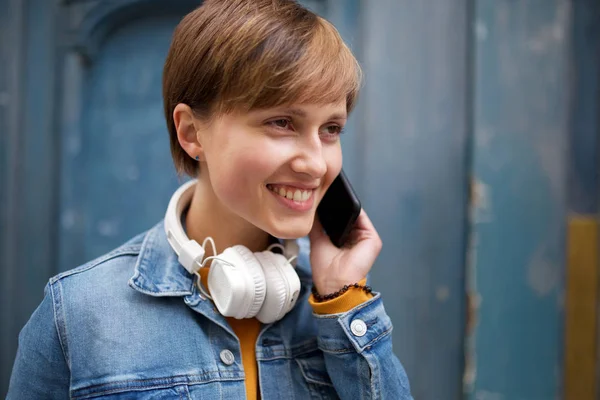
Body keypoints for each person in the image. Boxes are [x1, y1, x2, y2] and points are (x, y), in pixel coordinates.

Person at [7, 0, 413, 398]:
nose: (316, 164)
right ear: (191, 133)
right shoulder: (78, 315)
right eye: (282, 122)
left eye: (330, 129)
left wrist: (341, 300)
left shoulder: (338, 301)